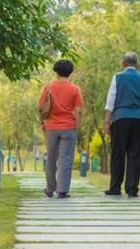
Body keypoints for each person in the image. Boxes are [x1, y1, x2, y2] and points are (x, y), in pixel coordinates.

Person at [103, 52, 140, 197]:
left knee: (118, 153)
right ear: (137, 64)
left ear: (123, 64)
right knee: (135, 154)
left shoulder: (117, 77)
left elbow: (110, 101)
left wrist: (107, 121)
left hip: (120, 119)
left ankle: (115, 187)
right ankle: (132, 189)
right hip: (138, 119)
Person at [38, 60, 84, 199]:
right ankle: (62, 190)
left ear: (56, 72)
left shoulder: (49, 87)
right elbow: (78, 110)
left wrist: (42, 123)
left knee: (51, 158)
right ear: (70, 72)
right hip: (68, 127)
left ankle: (50, 188)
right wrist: (76, 127)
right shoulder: (75, 89)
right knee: (66, 159)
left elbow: (41, 107)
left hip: (51, 127)